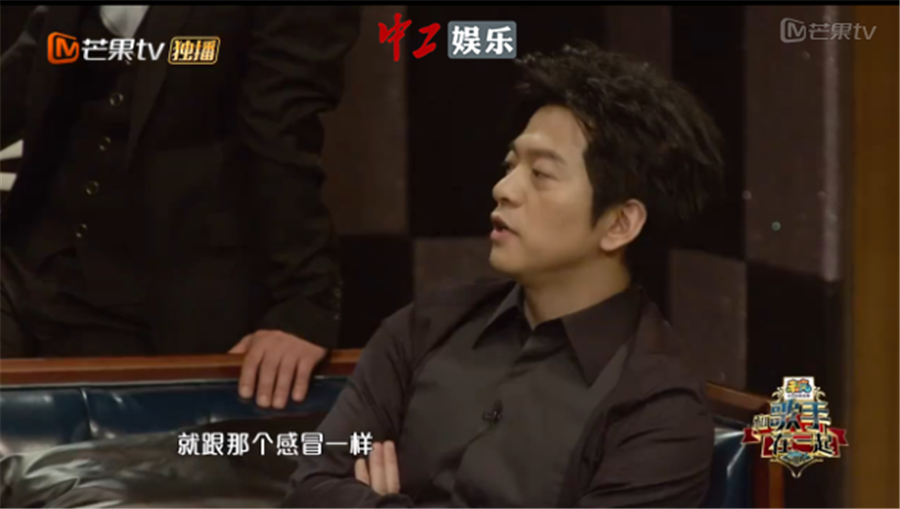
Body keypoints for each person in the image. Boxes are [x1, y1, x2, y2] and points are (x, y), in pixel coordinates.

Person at [283, 42, 724, 508]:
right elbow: (309, 488)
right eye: (511, 166)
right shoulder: (425, 328)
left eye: (541, 174)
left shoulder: (659, 410)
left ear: (619, 224)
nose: (503, 189)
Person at [0, 6, 360, 408]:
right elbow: (28, 70)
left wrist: (305, 304)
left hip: (151, 288)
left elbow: (281, 133)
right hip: (24, 260)